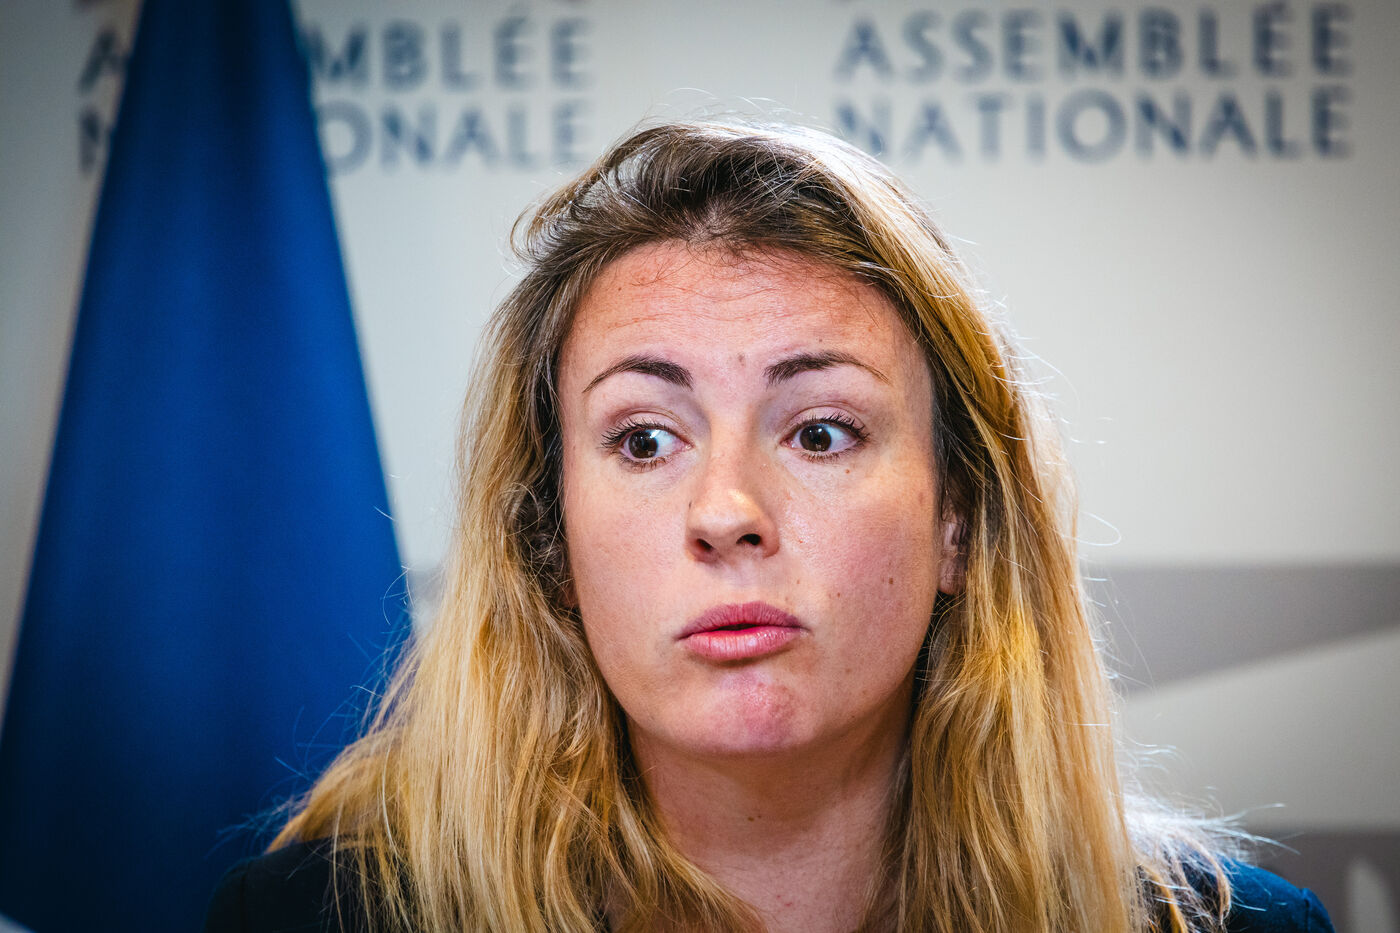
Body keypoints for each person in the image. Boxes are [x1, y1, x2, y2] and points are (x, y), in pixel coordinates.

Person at [204, 121, 1333, 933]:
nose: (727, 514)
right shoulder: (312, 920)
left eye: (821, 433)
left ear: (958, 520)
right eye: (645, 440)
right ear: (550, 545)